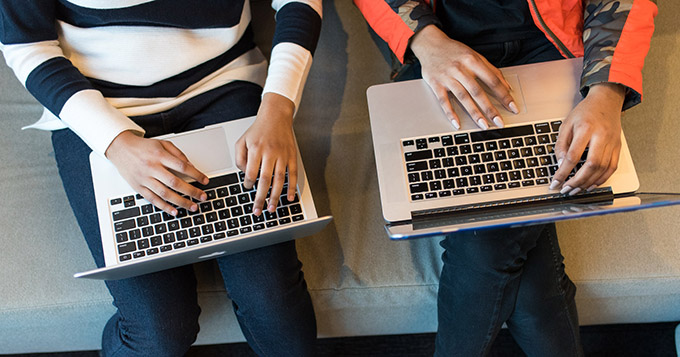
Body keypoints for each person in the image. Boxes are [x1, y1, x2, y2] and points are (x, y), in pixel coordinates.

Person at [0, 1, 322, 356]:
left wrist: (278, 108)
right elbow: (26, 44)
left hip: (223, 83)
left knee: (273, 302)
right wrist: (116, 144)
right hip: (98, 101)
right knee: (158, 331)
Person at [355, 0, 657, 355]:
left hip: (555, 52)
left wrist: (607, 91)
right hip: (443, 46)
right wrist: (426, 40)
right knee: (511, 259)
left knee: (484, 243)